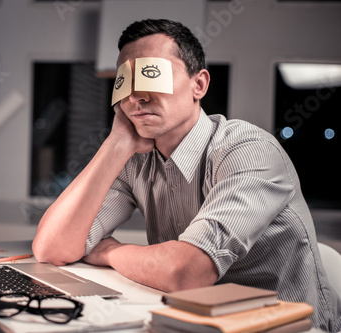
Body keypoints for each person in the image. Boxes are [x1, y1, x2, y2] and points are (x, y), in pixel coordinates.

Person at [32, 19, 341, 331]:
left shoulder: (248, 150)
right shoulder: (136, 161)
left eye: (152, 74)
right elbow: (51, 248)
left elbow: (187, 274)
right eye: (125, 80)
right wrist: (115, 145)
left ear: (200, 85)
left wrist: (110, 250)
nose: (137, 96)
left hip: (287, 326)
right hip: (194, 320)